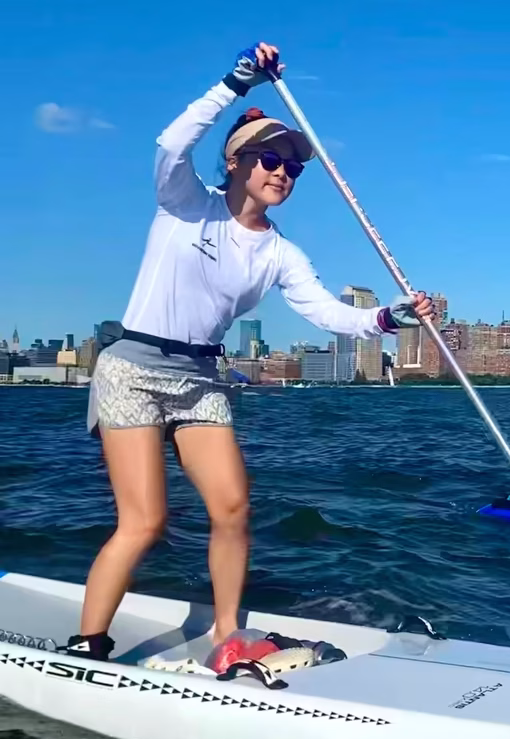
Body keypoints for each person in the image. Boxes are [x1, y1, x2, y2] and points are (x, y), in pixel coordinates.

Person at [62, 43, 436, 662]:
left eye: (293, 167)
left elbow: (325, 311)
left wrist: (387, 316)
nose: (282, 172)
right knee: (146, 522)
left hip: (200, 379)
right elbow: (170, 144)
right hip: (132, 368)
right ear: (236, 162)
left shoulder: (280, 252)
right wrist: (232, 84)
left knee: (234, 508)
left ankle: (226, 634)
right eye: (269, 158)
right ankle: (87, 645)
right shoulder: (186, 202)